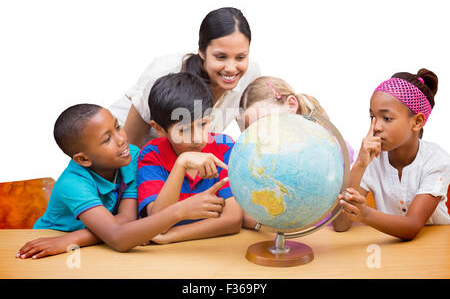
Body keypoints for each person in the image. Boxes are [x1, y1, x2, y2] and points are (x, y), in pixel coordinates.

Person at [16, 104, 226, 259]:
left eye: (117, 127)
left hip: (87, 245)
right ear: (83, 159)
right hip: (53, 244)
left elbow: (127, 219)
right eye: (107, 139)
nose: (121, 139)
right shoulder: (72, 183)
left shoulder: (132, 157)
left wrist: (78, 238)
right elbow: (120, 238)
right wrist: (180, 210)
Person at [109, 7, 261, 148]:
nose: (231, 68)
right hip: (123, 150)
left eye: (240, 57)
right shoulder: (164, 72)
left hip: (180, 157)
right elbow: (130, 146)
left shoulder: (250, 74)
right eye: (221, 57)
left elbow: (253, 136)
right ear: (201, 51)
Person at [332, 68, 450, 240]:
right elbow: (340, 225)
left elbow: (411, 227)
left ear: (417, 122)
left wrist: (365, 214)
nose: (377, 126)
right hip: (391, 252)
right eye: (372, 117)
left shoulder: (436, 161)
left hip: (436, 246)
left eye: (387, 118)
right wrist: (360, 165)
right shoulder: (369, 158)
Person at [138, 72, 242, 244]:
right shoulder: (152, 155)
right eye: (184, 130)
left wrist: (170, 236)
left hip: (213, 251)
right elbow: (157, 223)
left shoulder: (224, 147)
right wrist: (182, 163)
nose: (198, 138)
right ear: (159, 128)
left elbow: (232, 220)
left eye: (203, 124)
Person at [238, 76, 354, 229]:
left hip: (327, 241)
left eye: (268, 121)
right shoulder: (259, 161)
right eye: (255, 129)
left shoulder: (333, 151)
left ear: (291, 105)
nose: (264, 133)